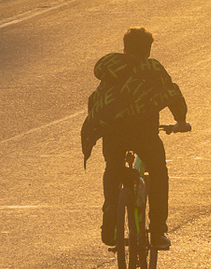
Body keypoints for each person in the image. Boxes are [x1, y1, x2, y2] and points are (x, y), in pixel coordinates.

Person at [81, 27, 189, 250]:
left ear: (124, 49)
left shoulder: (111, 69)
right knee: (158, 173)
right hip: (144, 134)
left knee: (112, 167)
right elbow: (172, 94)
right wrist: (180, 121)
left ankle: (111, 215)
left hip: (113, 132)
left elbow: (96, 100)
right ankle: (158, 232)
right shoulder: (151, 67)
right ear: (148, 50)